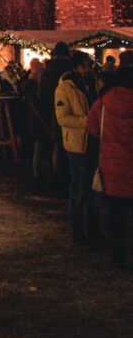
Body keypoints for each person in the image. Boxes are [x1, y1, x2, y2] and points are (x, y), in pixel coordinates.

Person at [87, 49, 133, 269]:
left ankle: (118, 256)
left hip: (113, 165)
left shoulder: (104, 100)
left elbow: (93, 129)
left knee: (117, 214)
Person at [55, 50, 101, 244]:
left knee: (95, 189)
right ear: (75, 67)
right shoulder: (66, 87)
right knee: (80, 187)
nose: (88, 69)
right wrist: (87, 121)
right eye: (84, 66)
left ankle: (94, 229)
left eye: (89, 65)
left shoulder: (95, 85)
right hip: (77, 145)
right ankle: (77, 228)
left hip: (95, 143)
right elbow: (62, 118)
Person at [39, 41, 73, 185]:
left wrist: (48, 108)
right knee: (72, 142)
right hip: (74, 109)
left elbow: (42, 95)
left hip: (54, 110)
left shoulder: (48, 71)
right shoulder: (72, 68)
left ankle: (57, 174)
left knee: (57, 142)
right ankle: (70, 174)